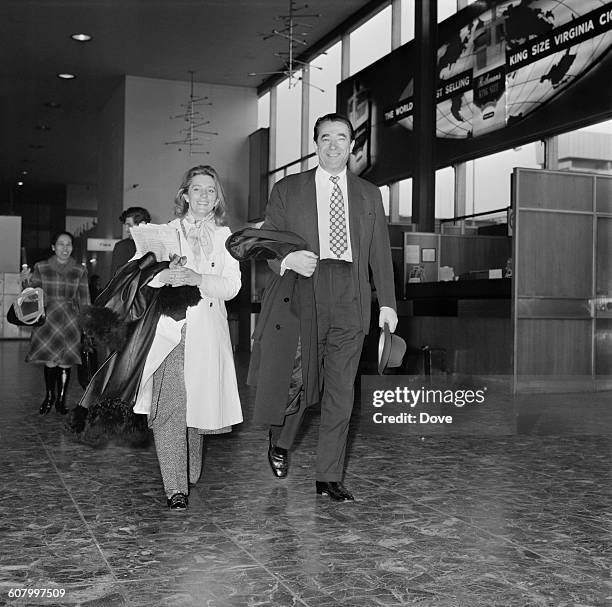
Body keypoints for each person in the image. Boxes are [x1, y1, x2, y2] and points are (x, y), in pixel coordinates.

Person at [74, 165, 243, 511]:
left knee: (197, 409)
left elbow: (232, 286)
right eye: (197, 189)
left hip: (208, 332)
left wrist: (198, 277)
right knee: (170, 407)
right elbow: (138, 275)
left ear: (218, 197)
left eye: (211, 191)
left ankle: (189, 471)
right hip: (168, 330)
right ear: (184, 194)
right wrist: (162, 274)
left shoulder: (227, 237)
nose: (204, 197)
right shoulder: (163, 233)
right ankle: (175, 488)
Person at [250, 113, 398, 501]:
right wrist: (286, 261)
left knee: (341, 391)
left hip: (352, 293)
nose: (334, 144)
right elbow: (267, 244)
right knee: (303, 380)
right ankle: (281, 439)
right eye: (325, 137)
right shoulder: (288, 189)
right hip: (305, 289)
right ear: (316, 144)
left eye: (342, 137)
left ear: (352, 146)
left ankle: (328, 476)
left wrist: (388, 304)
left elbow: (380, 253)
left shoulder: (369, 193)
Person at [21, 231, 90, 415]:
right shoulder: (41, 267)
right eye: (61, 244)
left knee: (66, 362)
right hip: (48, 319)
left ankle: (60, 400)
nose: (65, 248)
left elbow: (84, 299)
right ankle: (49, 397)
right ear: (53, 247)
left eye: (69, 244)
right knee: (50, 361)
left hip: (70, 320)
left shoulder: (80, 270)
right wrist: (25, 281)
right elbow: (31, 295)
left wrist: (87, 324)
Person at [110, 206, 151, 276]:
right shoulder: (121, 247)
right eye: (125, 225)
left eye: (129, 225)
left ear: (142, 225)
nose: (126, 230)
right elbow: (114, 278)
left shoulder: (157, 246)